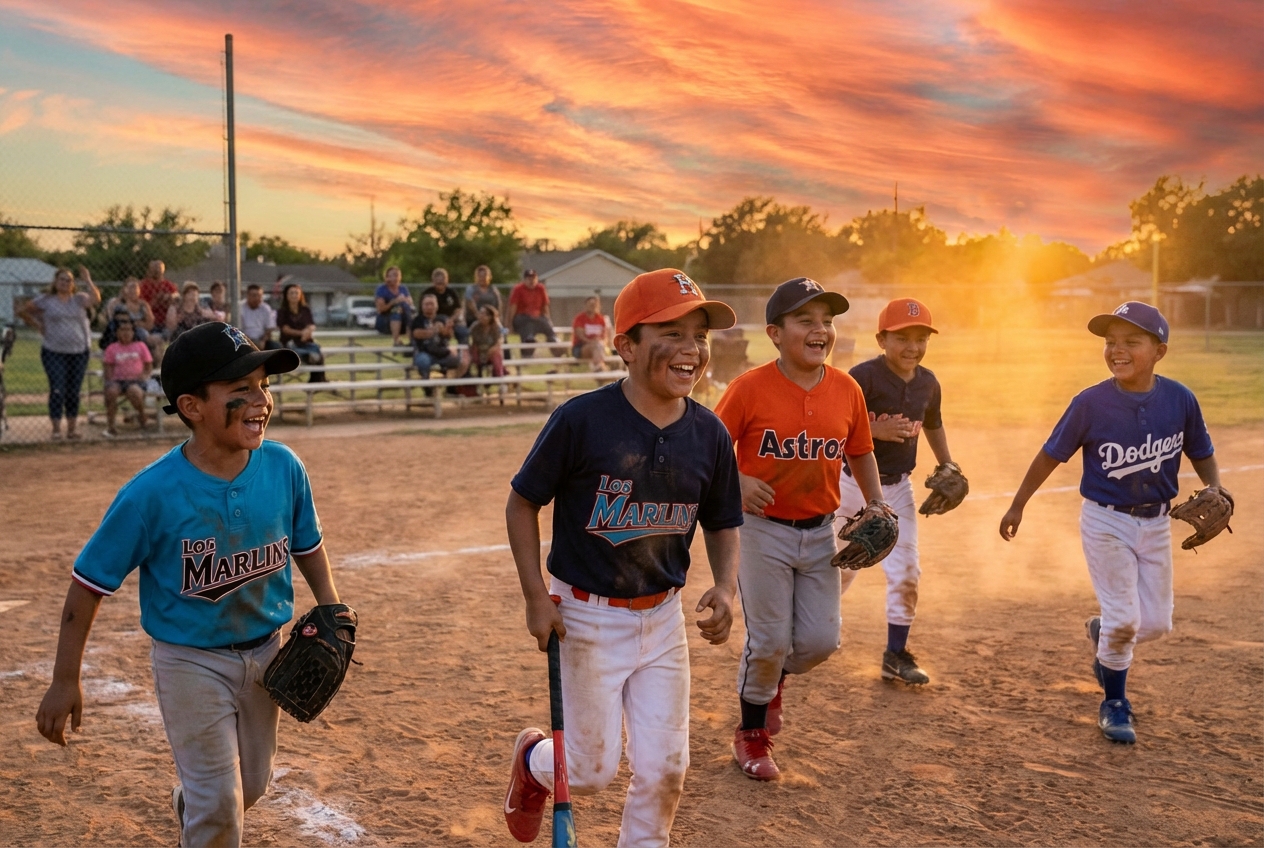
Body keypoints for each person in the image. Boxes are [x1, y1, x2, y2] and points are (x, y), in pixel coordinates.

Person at [35, 321, 346, 847]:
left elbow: (307, 544)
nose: (260, 400)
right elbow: (88, 585)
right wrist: (65, 678)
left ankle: (191, 803)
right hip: (190, 663)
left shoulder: (283, 467)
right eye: (241, 389)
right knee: (221, 806)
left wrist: (331, 608)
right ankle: (202, 807)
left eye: (264, 386)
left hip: (267, 653)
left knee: (250, 787)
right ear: (191, 406)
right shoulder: (151, 494)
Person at [503, 268, 743, 846]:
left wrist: (726, 586)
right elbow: (522, 503)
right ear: (627, 346)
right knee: (589, 771)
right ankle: (534, 761)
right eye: (672, 333)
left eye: (700, 336)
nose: (691, 349)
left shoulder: (709, 434)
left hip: (663, 619)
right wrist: (536, 597)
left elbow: (723, 520)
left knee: (666, 770)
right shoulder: (582, 420)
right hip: (585, 616)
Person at [999, 302, 1226, 745]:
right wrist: (1018, 504)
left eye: (1131, 342)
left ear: (1159, 351)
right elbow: (1050, 454)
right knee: (1125, 621)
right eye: (1110, 342)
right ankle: (1115, 702)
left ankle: (1102, 633)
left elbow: (1201, 451)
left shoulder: (1180, 399)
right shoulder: (1090, 403)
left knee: (1155, 624)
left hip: (1157, 523)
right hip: (1106, 521)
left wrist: (1215, 488)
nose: (1117, 350)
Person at [713, 277, 885, 781]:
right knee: (768, 640)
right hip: (761, 530)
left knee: (818, 642)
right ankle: (751, 733)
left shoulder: (846, 389)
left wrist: (877, 502)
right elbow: (710, 449)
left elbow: (860, 451)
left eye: (827, 321)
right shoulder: (749, 388)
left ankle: (772, 682)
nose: (820, 330)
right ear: (774, 332)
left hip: (821, 532)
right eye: (805, 320)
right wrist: (736, 480)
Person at [836, 298, 958, 687]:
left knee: (907, 573)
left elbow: (933, 424)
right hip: (850, 485)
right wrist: (874, 431)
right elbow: (833, 425)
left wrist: (949, 464)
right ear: (881, 340)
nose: (912, 347)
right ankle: (808, 630)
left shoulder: (928, 383)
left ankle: (896, 654)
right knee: (840, 569)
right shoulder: (863, 378)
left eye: (921, 338)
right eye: (902, 338)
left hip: (898, 488)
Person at [17, 266, 101, 440]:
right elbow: (22, 310)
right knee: (57, 388)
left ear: (73, 284)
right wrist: (37, 325)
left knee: (73, 390)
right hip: (53, 351)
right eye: (61, 279)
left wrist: (87, 279)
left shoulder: (78, 299)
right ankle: (56, 429)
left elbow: (95, 299)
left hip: (79, 351)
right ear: (55, 282)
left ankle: (71, 429)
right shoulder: (46, 300)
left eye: (69, 280)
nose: (65, 283)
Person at [101, 315, 153, 436]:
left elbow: (148, 365)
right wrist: (110, 381)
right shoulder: (112, 348)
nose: (126, 333)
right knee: (111, 392)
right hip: (117, 380)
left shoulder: (140, 346)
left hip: (136, 381)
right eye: (122, 330)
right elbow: (108, 367)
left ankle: (141, 415)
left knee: (134, 391)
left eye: (129, 330)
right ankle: (111, 426)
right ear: (117, 333)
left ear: (133, 332)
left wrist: (145, 375)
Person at [410, 293, 467, 381]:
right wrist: (434, 330)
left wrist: (445, 330)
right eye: (426, 304)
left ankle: (450, 383)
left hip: (443, 352)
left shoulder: (443, 318)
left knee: (457, 359)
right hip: (424, 352)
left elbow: (449, 335)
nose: (429, 306)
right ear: (422, 306)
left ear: (436, 306)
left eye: (432, 304)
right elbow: (417, 334)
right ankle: (426, 383)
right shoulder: (417, 320)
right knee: (422, 361)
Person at [277, 283, 326, 383]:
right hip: (290, 343)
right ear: (286, 295)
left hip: (305, 342)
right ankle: (315, 381)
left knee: (318, 352)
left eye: (296, 293)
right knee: (309, 356)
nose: (294, 295)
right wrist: (302, 333)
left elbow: (311, 325)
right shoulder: (282, 311)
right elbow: (285, 329)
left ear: (300, 295)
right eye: (291, 293)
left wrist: (307, 332)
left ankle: (317, 381)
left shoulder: (305, 309)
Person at [505, 269, 557, 357]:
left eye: (533, 278)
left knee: (546, 325)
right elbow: (513, 307)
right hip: (522, 317)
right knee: (528, 325)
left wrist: (548, 320)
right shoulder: (518, 289)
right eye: (529, 279)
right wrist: (509, 323)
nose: (531, 281)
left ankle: (555, 345)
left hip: (537, 318)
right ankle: (527, 349)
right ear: (524, 280)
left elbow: (545, 306)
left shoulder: (541, 288)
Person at [420, 268, 469, 344]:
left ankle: (462, 350)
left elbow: (458, 310)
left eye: (442, 280)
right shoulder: (427, 293)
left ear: (447, 280)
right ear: (433, 281)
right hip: (433, 321)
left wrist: (451, 320)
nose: (440, 283)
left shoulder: (452, 292)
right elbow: (422, 312)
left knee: (462, 331)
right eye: (437, 281)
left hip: (451, 320)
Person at [102, 277, 155, 347]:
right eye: (130, 287)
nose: (133, 290)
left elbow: (150, 324)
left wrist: (135, 324)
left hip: (140, 331)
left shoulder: (143, 305)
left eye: (135, 287)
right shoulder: (116, 303)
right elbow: (111, 319)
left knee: (145, 335)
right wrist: (135, 323)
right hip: (120, 330)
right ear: (124, 289)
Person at [374, 265, 415, 346]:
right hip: (385, 321)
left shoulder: (403, 288)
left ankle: (412, 341)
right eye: (393, 275)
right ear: (387, 277)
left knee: (406, 309)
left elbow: (410, 302)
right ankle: (396, 341)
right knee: (396, 311)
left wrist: (404, 300)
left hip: (403, 321)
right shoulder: (382, 289)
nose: (395, 278)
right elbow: (381, 309)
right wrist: (393, 302)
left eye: (397, 275)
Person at [571, 295, 613, 371]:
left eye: (595, 305)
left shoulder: (601, 319)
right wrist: (592, 342)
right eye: (590, 304)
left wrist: (600, 342)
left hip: (598, 347)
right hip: (580, 347)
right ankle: (600, 367)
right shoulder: (580, 318)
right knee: (596, 346)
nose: (592, 306)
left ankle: (598, 367)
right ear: (586, 305)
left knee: (599, 345)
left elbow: (604, 337)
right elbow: (580, 336)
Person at [468, 305, 507, 378]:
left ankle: (499, 376)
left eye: (483, 314)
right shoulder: (475, 326)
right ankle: (477, 375)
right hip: (479, 351)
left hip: (492, 351)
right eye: (480, 313)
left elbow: (500, 340)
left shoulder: (496, 327)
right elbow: (470, 340)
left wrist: (491, 350)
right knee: (472, 355)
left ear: (490, 317)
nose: (480, 315)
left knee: (496, 354)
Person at [239, 284, 280, 350]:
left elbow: (270, 328)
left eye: (260, 296)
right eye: (254, 295)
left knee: (276, 346)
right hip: (243, 340)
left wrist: (263, 341)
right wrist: (250, 342)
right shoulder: (240, 307)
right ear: (248, 296)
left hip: (262, 340)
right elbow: (237, 329)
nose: (257, 298)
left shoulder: (266, 308)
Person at [463, 264, 503, 328]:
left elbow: (498, 304)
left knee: (501, 330)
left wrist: (496, 316)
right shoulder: (471, 289)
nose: (482, 278)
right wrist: (479, 316)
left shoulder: (493, 289)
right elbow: (469, 302)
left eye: (485, 275)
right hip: (474, 319)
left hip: (491, 319)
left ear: (489, 277)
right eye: (480, 276)